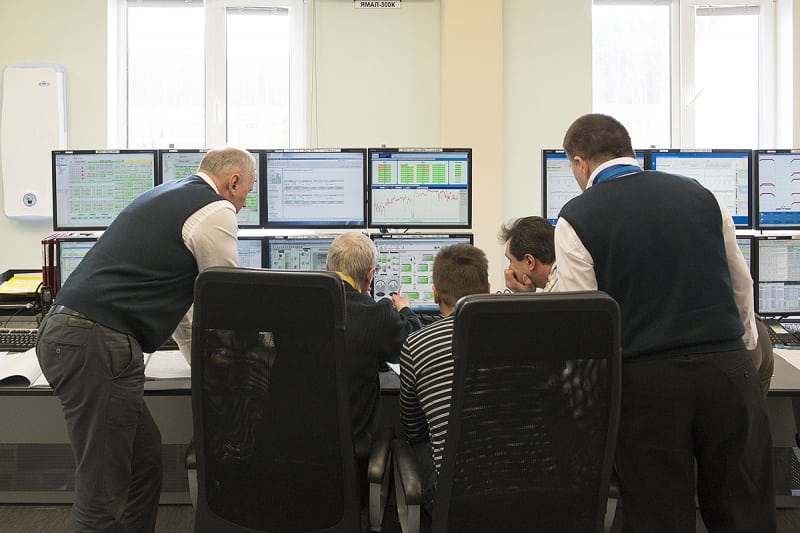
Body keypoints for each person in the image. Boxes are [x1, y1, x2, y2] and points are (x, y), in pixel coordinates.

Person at [554, 113, 775, 531]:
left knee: (660, 515)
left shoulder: (575, 217)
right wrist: (740, 352)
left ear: (580, 163)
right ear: (628, 150)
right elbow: (741, 284)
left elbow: (586, 324)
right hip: (727, 371)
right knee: (745, 511)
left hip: (646, 385)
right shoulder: (700, 195)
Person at [35, 147, 257, 532]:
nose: (244, 203)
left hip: (71, 333)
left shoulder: (166, 195)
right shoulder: (216, 208)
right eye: (247, 193)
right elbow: (225, 298)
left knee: (144, 461)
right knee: (102, 497)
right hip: (97, 342)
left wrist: (202, 363)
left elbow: (182, 306)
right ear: (233, 182)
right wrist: (246, 359)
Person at [325, 232, 424, 488]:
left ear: (327, 267)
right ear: (370, 275)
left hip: (289, 461)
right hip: (350, 468)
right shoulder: (376, 315)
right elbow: (414, 343)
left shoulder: (294, 306)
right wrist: (405, 309)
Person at [398, 243, 490, 513]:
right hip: (530, 488)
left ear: (435, 293)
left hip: (456, 497)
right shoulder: (523, 336)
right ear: (487, 288)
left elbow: (413, 429)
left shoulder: (417, 344)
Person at [498, 215, 558, 292]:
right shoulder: (563, 275)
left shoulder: (556, 293)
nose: (509, 270)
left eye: (510, 261)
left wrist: (524, 297)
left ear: (530, 262)